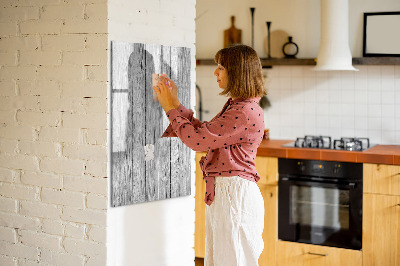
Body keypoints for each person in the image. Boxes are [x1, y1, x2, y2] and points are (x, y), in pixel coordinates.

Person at [153, 44, 267, 266]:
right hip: (229, 193)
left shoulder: (243, 111)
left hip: (234, 196)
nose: (215, 72)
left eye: (221, 67)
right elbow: (205, 133)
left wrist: (169, 108)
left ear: (237, 72)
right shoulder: (239, 106)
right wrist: (175, 103)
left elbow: (197, 141)